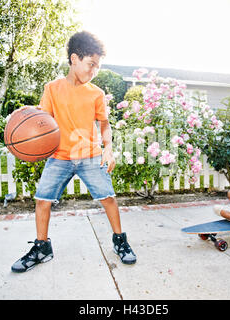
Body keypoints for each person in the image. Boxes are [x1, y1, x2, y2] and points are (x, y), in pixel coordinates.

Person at [11, 31, 136, 273]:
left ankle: (120, 241)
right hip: (59, 156)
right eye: (91, 64)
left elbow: (105, 124)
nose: (94, 71)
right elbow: (42, 121)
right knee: (42, 200)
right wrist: (26, 129)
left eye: (98, 67)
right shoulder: (52, 88)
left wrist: (108, 148)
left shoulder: (96, 93)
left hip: (89, 155)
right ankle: (42, 247)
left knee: (108, 198)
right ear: (74, 59)